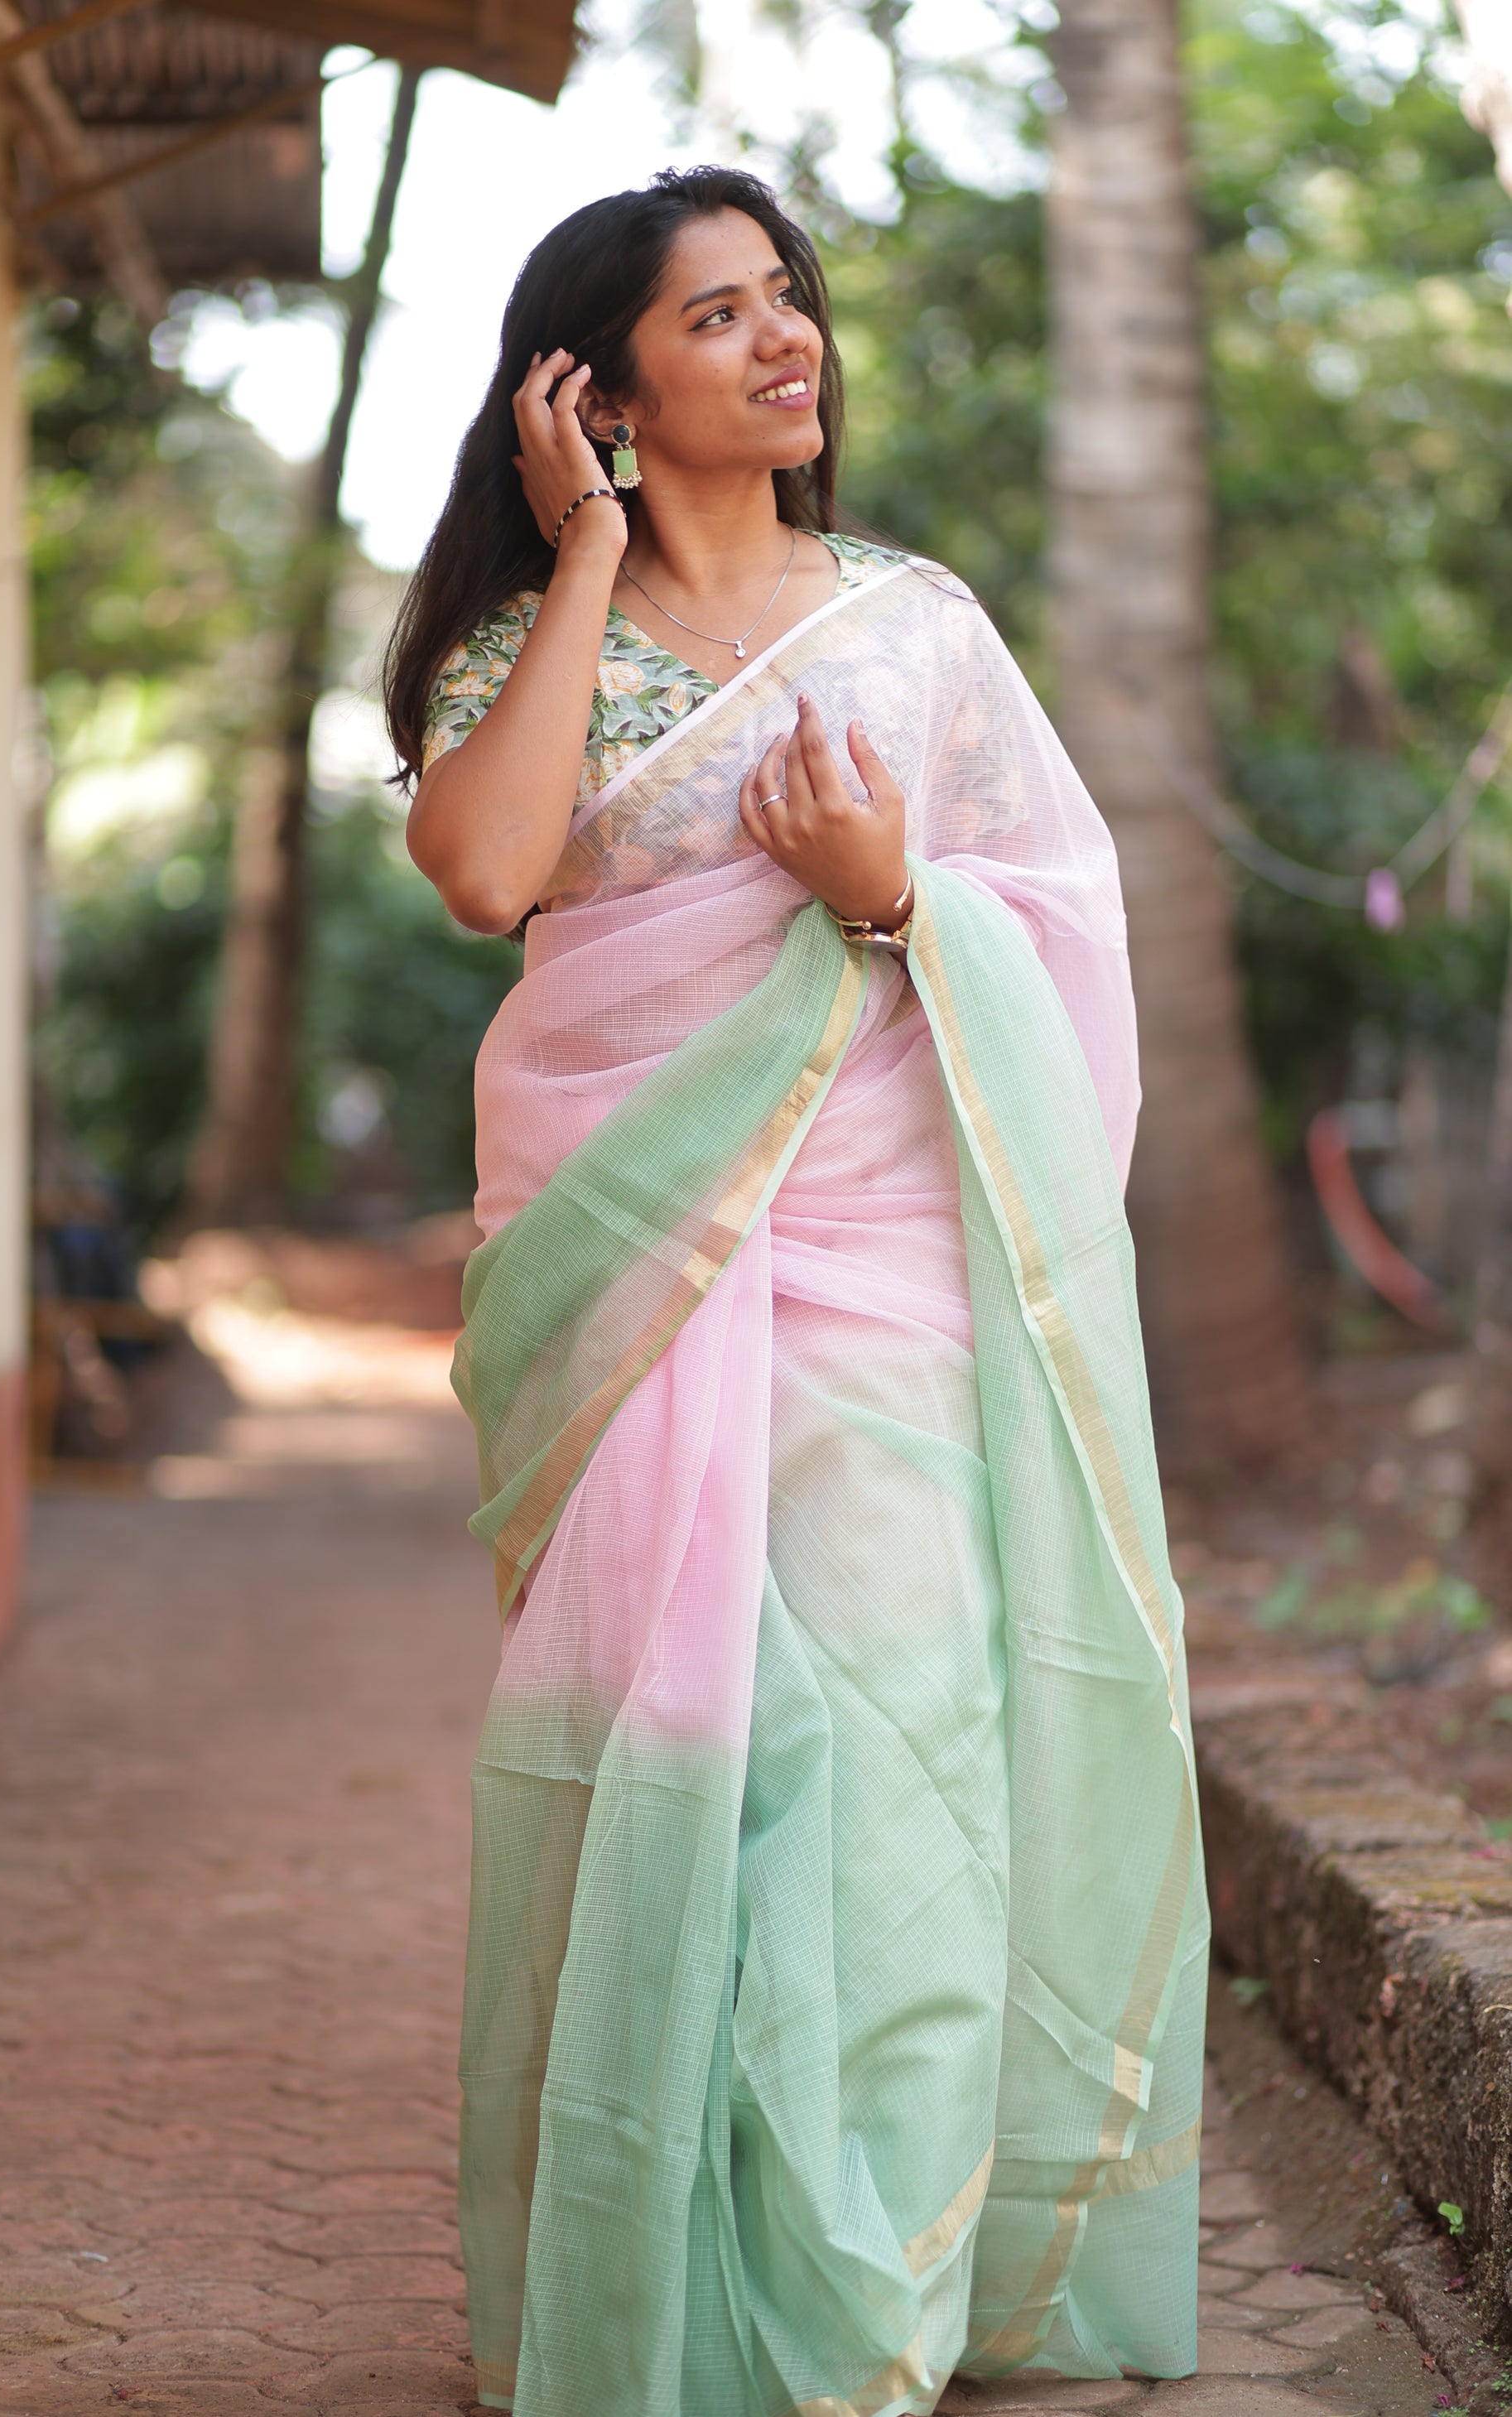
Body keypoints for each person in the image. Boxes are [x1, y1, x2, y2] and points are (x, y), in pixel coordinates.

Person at [387, 163, 1207, 2417]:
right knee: (685, 1773)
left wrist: (887, 894)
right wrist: (578, 558)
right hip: (631, 1291)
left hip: (884, 1276)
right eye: (716, 316)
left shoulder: (914, 630)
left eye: (786, 298)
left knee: (907, 1767)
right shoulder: (532, 644)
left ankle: (869, 2321)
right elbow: (484, 870)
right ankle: (674, 2283)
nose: (783, 341)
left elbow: (1055, 926)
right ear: (600, 392)